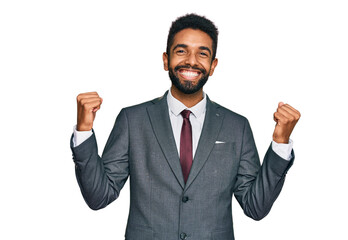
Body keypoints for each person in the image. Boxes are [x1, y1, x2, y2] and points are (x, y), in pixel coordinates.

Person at [71, 13, 300, 240]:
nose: (191, 60)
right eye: (181, 51)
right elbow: (99, 196)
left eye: (202, 53)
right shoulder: (133, 120)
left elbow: (255, 207)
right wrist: (84, 130)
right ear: (165, 60)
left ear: (212, 66)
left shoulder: (236, 127)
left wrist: (280, 144)